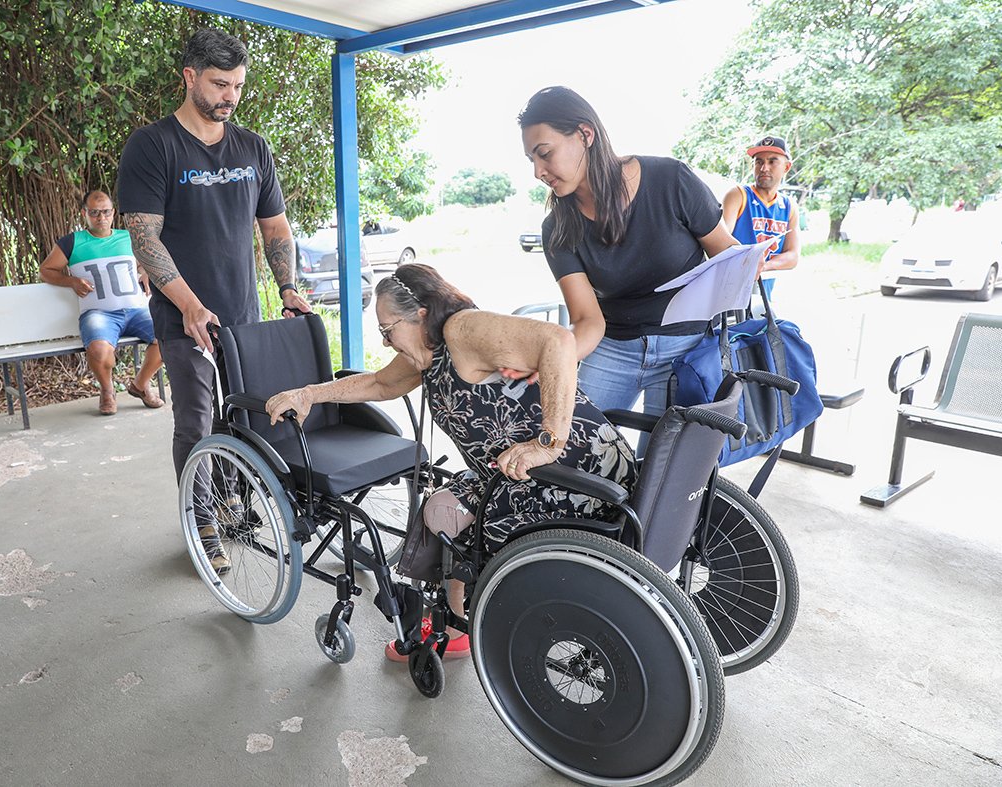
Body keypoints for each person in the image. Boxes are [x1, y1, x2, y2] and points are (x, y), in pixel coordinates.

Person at [265, 263, 637, 661]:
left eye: (388, 330)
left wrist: (548, 442)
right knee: (442, 509)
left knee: (469, 522)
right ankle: (455, 624)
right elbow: (380, 383)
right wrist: (308, 394)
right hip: (512, 475)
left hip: (571, 473)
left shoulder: (462, 330)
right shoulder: (429, 352)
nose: (387, 343)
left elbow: (559, 342)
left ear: (420, 314)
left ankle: (498, 619)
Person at [117, 27, 309, 572]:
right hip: (184, 318)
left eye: (239, 86)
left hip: (243, 314)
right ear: (190, 77)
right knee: (196, 423)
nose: (230, 96)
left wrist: (288, 288)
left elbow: (275, 229)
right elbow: (144, 237)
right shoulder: (153, 145)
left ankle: (233, 503)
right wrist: (189, 304)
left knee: (246, 418)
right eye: (220, 83)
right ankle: (201, 520)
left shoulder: (253, 148)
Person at [517, 86, 739, 421]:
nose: (537, 171)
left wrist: (749, 262)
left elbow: (726, 253)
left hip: (687, 347)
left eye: (544, 153)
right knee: (573, 443)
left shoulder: (671, 179)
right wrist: (553, 360)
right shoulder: (558, 228)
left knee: (665, 468)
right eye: (531, 159)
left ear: (584, 134)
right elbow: (588, 321)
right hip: (612, 348)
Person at [40, 189, 164, 415]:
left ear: (113, 212)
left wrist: (145, 270)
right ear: (84, 213)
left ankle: (140, 384)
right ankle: (107, 391)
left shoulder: (128, 237)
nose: (101, 218)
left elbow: (142, 264)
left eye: (106, 212)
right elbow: (46, 271)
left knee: (169, 335)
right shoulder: (72, 242)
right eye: (95, 213)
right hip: (100, 314)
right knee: (98, 350)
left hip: (137, 310)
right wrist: (71, 281)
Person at [722, 135, 800, 303]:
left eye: (772, 161)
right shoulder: (738, 195)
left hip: (763, 297)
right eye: (758, 162)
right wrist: (747, 262)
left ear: (787, 167)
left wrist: (764, 266)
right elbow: (720, 239)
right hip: (729, 295)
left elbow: (793, 256)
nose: (764, 168)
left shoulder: (788, 206)